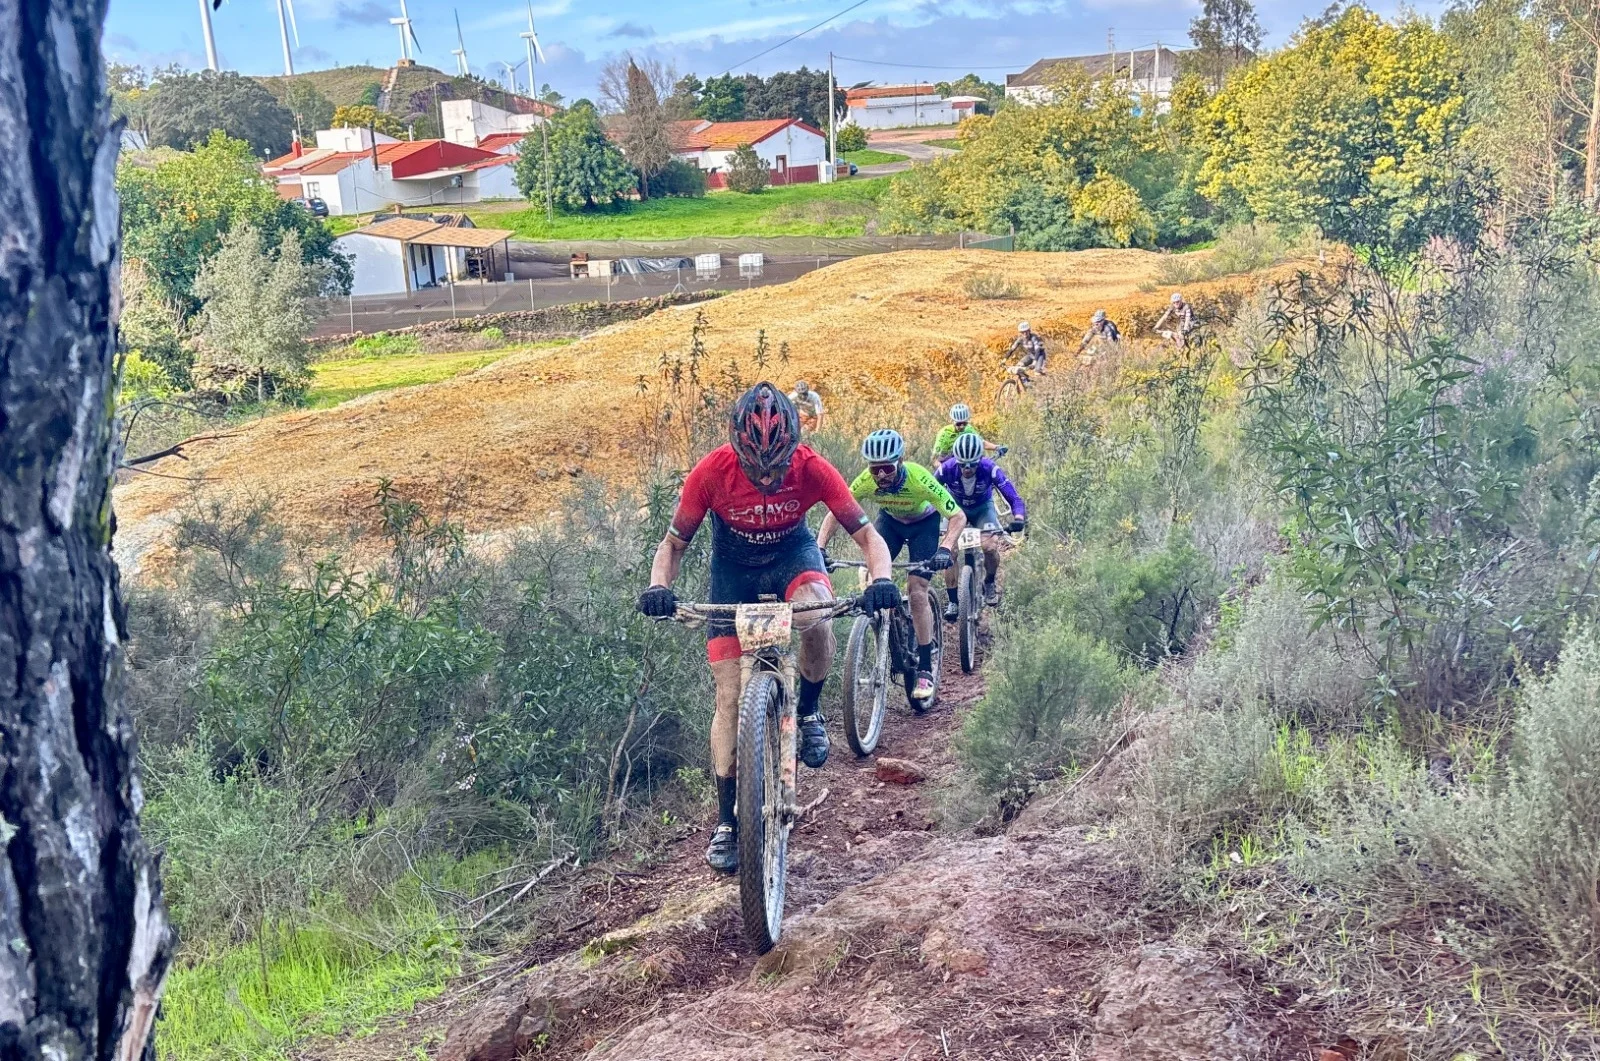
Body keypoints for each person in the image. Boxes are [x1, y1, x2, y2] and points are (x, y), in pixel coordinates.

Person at [638, 383, 901, 874]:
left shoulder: (812, 468)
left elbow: (867, 536)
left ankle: (808, 713)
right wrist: (658, 587)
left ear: (794, 449)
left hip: (791, 559)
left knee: (816, 611)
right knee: (730, 699)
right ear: (736, 449)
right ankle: (726, 821)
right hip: (733, 572)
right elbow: (673, 544)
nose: (764, 477)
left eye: (775, 468)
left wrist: (882, 578)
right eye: (755, 467)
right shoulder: (711, 473)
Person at [818, 428, 966, 702]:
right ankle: (892, 619)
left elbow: (958, 516)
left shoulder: (920, 478)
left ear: (899, 462)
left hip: (925, 525)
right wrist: (819, 547)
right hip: (892, 524)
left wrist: (945, 547)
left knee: (917, 590)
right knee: (873, 576)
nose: (881, 475)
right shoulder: (866, 481)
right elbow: (837, 511)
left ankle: (924, 667)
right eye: (875, 470)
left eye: (887, 468)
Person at [936, 431, 1027, 612]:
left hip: (982, 507)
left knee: (990, 546)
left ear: (980, 460)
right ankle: (953, 601)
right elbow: (926, 495)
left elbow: (1014, 497)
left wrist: (1018, 518)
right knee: (950, 551)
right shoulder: (946, 469)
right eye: (963, 464)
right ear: (956, 460)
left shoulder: (989, 468)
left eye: (972, 464)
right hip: (955, 509)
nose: (967, 468)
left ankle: (990, 581)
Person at [931, 403, 1007, 463]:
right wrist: (942, 471)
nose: (961, 426)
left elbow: (981, 443)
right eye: (958, 424)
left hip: (966, 463)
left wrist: (997, 448)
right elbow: (934, 459)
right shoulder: (944, 433)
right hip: (949, 465)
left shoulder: (969, 429)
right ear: (952, 421)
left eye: (964, 423)